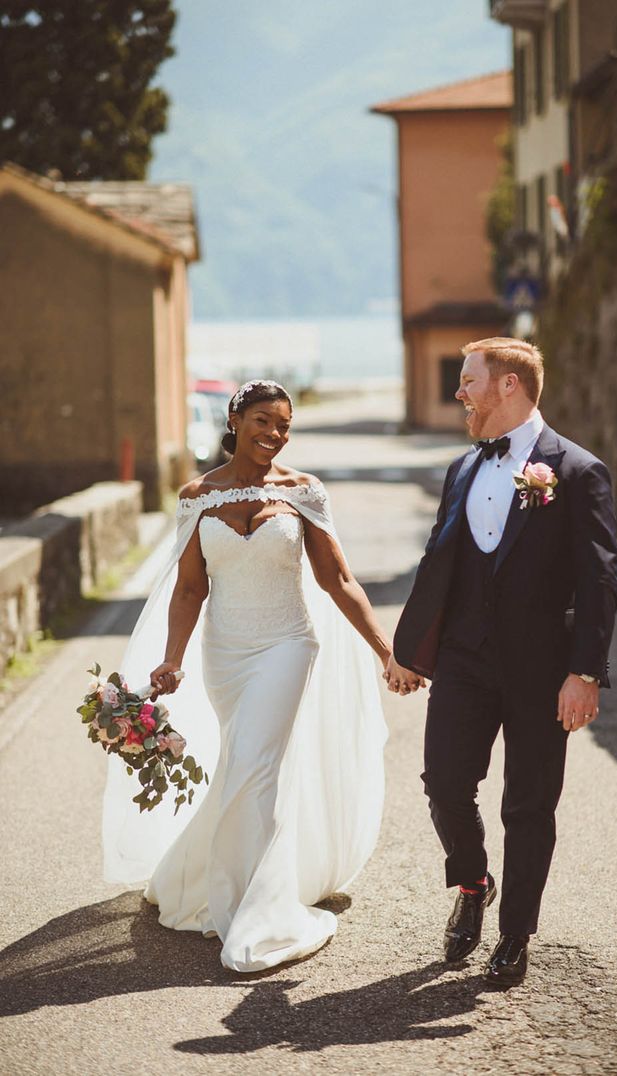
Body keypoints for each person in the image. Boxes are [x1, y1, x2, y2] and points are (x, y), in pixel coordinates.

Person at [103, 380, 396, 973]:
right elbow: (190, 588)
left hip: (289, 643)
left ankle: (258, 913)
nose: (275, 434)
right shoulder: (197, 496)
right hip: (225, 653)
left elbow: (339, 581)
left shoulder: (304, 491)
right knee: (244, 766)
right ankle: (208, 876)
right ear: (235, 420)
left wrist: (385, 651)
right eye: (264, 420)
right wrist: (172, 658)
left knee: (257, 767)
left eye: (285, 425)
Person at [385, 338, 617, 987]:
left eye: (468, 381)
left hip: (543, 669)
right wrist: (408, 652)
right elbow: (439, 563)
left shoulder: (576, 471)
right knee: (443, 780)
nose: (459, 392)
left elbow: (600, 582)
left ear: (508, 385)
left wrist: (586, 672)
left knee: (529, 805)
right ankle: (472, 880)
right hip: (464, 657)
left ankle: (515, 935)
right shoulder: (463, 468)